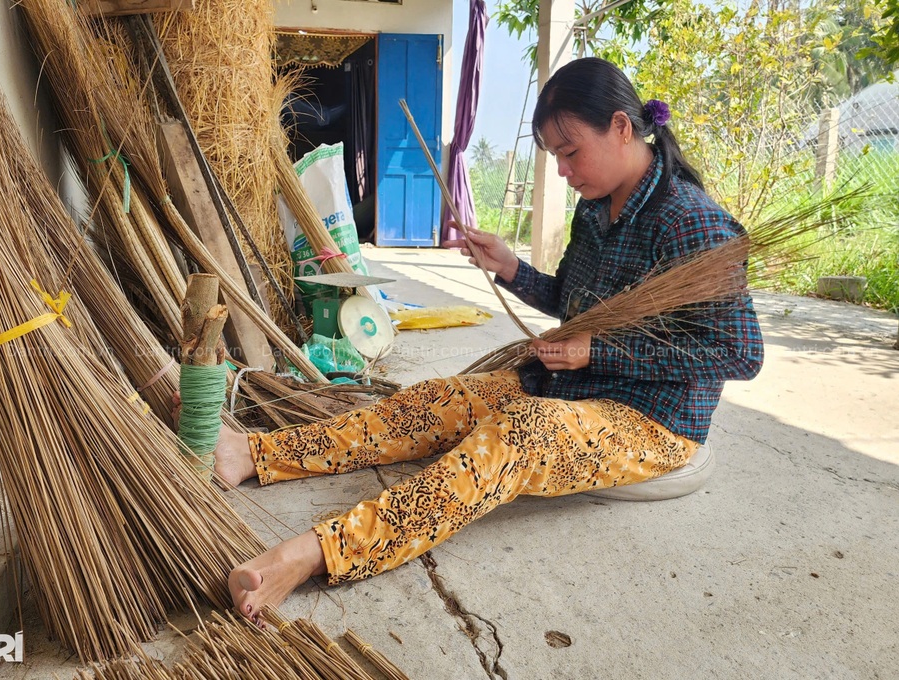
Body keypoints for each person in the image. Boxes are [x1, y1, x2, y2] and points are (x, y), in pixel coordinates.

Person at [220, 57, 764, 624]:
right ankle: (254, 453)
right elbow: (570, 302)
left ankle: (315, 553)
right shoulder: (596, 208)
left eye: (571, 152)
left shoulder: (692, 221)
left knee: (514, 438)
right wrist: (511, 269)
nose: (562, 171)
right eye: (555, 156)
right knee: (435, 400)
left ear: (622, 128)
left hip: (651, 417)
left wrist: (595, 352)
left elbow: (741, 354)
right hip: (573, 386)